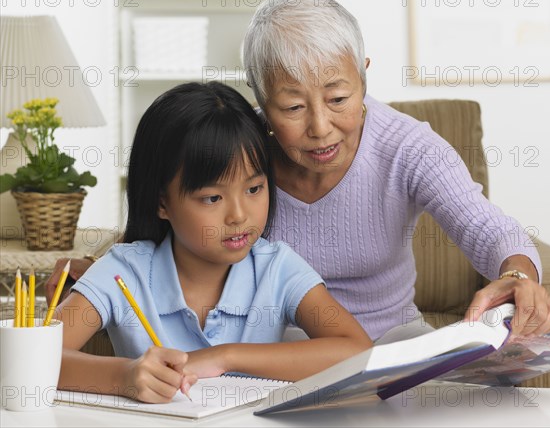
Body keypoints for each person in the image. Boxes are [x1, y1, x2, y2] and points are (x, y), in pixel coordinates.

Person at [49, 0, 550, 344]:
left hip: (388, 341)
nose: (321, 127)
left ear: (364, 78)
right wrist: (98, 270)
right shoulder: (242, 147)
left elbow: (484, 224)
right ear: (259, 99)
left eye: (339, 97)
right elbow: (177, 217)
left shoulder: (409, 148)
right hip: (271, 347)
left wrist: (517, 274)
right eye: (292, 107)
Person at [54, 81, 372, 404]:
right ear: (162, 203)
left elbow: (357, 350)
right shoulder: (124, 271)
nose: (238, 215)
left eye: (254, 189)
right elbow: (36, 355)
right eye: (212, 198)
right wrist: (124, 377)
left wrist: (226, 357)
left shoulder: (276, 268)